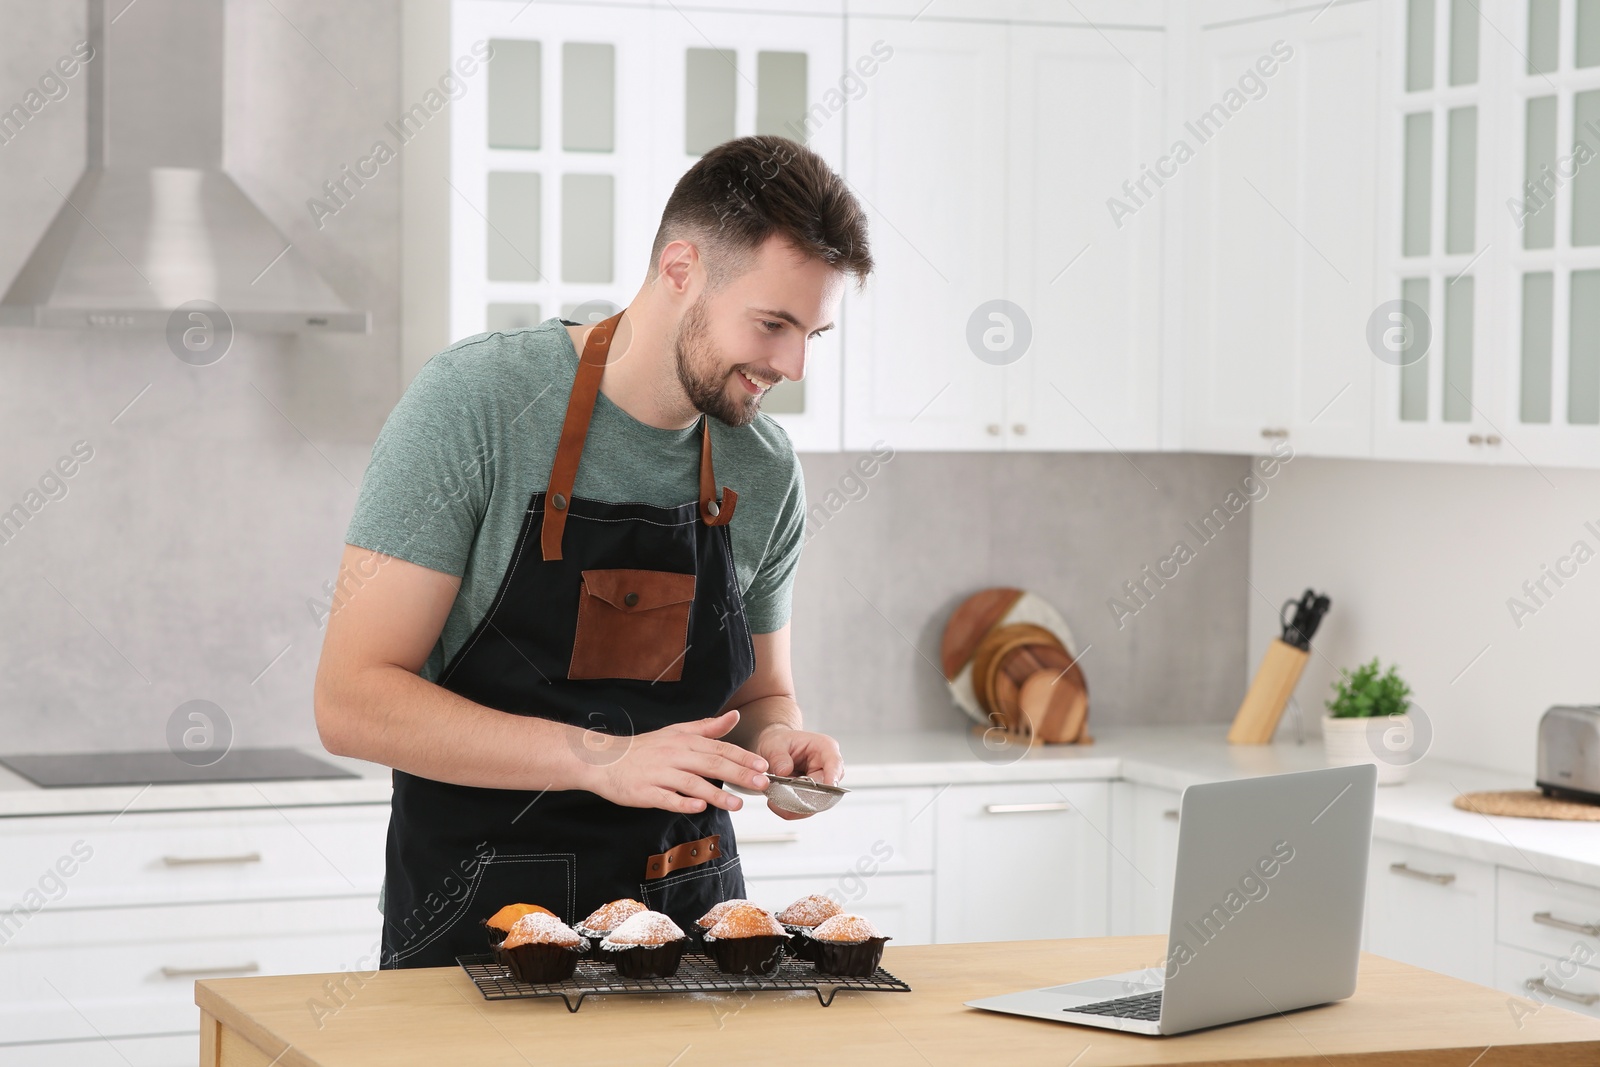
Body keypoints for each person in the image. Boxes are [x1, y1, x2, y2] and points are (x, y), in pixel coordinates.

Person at [313, 135, 874, 968]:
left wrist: (779, 741)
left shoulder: (763, 465)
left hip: (690, 930)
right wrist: (600, 758)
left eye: (813, 335)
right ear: (680, 269)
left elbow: (764, 691)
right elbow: (351, 701)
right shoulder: (476, 405)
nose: (791, 364)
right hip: (486, 932)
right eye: (772, 323)